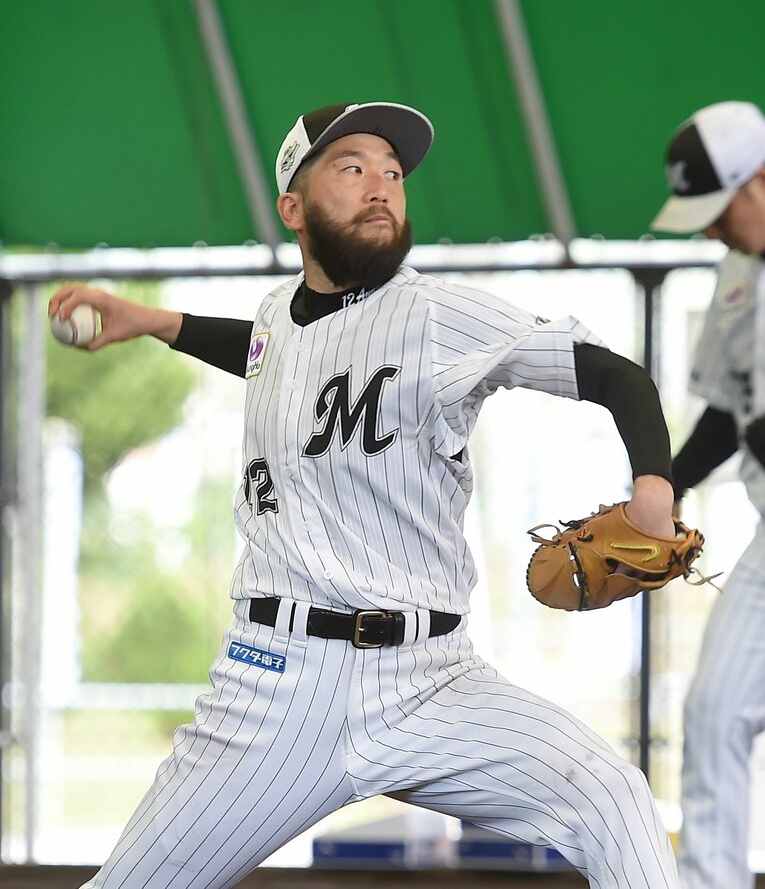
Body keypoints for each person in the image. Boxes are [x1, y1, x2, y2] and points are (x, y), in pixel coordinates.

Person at [52, 101, 682, 889]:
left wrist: (653, 486)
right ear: (294, 207)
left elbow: (614, 373)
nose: (381, 185)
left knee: (612, 797)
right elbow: (263, 350)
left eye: (392, 173)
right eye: (351, 168)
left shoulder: (434, 314)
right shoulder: (275, 319)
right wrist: (153, 321)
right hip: (277, 685)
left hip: (434, 681)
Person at [652, 99, 765, 889]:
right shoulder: (735, 273)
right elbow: (727, 414)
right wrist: (659, 486)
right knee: (713, 709)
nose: (709, 229)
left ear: (759, 181)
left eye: (718, 209)